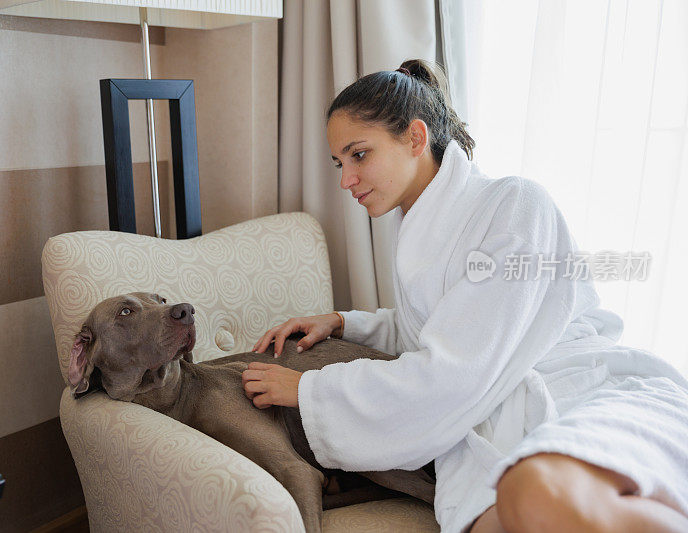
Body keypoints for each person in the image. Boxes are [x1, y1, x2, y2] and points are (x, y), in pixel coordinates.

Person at [240, 58, 688, 533]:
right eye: (340, 162)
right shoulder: (418, 230)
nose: (346, 179)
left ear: (415, 138)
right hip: (488, 425)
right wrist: (345, 322)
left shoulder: (515, 205)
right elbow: (440, 326)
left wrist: (310, 391)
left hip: (580, 393)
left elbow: (457, 365)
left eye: (359, 155)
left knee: (536, 495)